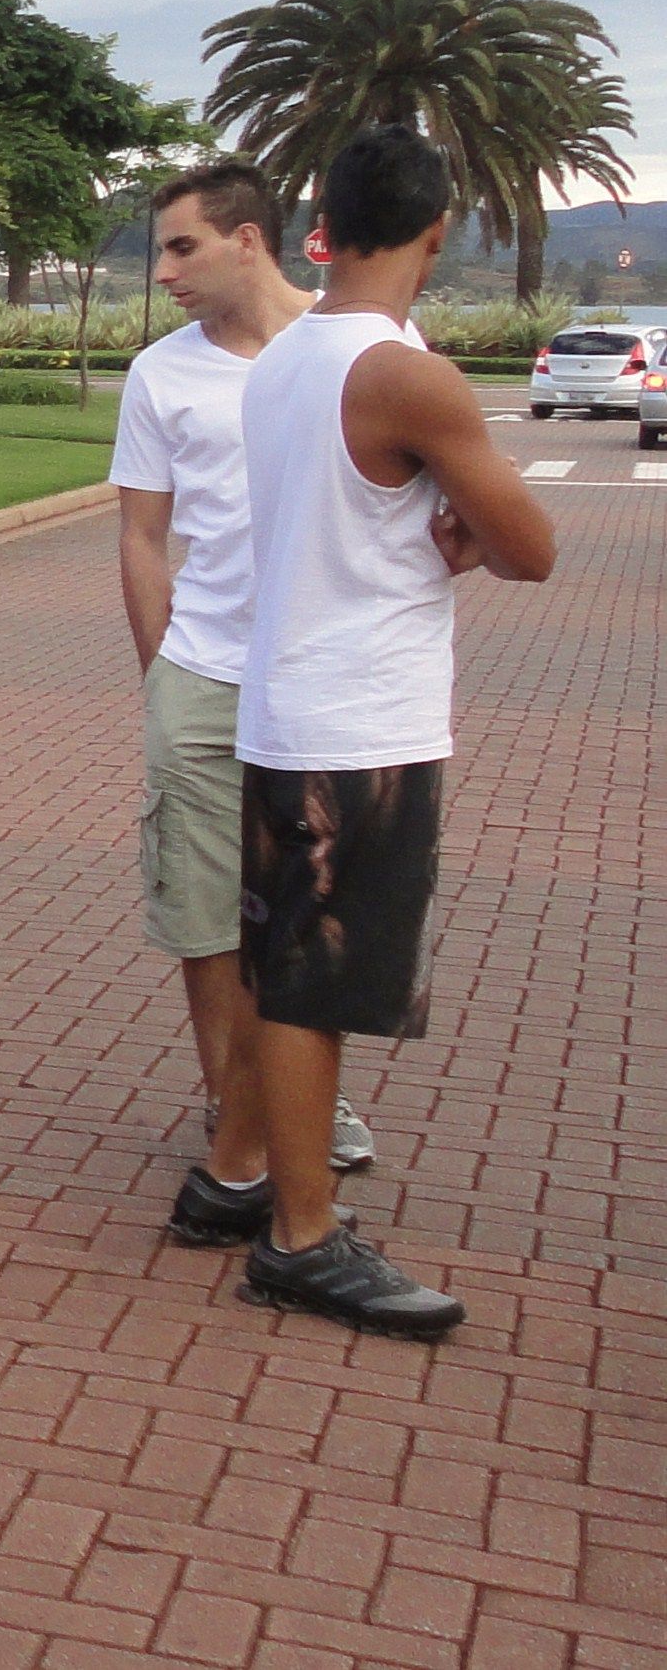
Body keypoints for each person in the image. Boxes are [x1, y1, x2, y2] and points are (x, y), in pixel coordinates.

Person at [230, 126, 554, 1338]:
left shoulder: (284, 362)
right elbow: (531, 547)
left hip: (289, 702)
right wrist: (465, 508)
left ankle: (289, 1208)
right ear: (435, 230)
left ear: (329, 220)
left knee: (295, 971)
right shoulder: (403, 374)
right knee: (315, 982)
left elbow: (370, 503)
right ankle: (302, 1238)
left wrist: (442, 500)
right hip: (358, 721)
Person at [109, 162, 375, 1256]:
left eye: (179, 246)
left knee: (309, 910)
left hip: (321, 682)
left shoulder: (349, 353)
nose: (159, 270)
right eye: (157, 249)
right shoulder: (159, 376)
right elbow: (139, 535)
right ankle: (238, 1112)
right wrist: (162, 669)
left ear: (248, 240)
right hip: (204, 673)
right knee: (207, 913)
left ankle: (288, 1100)